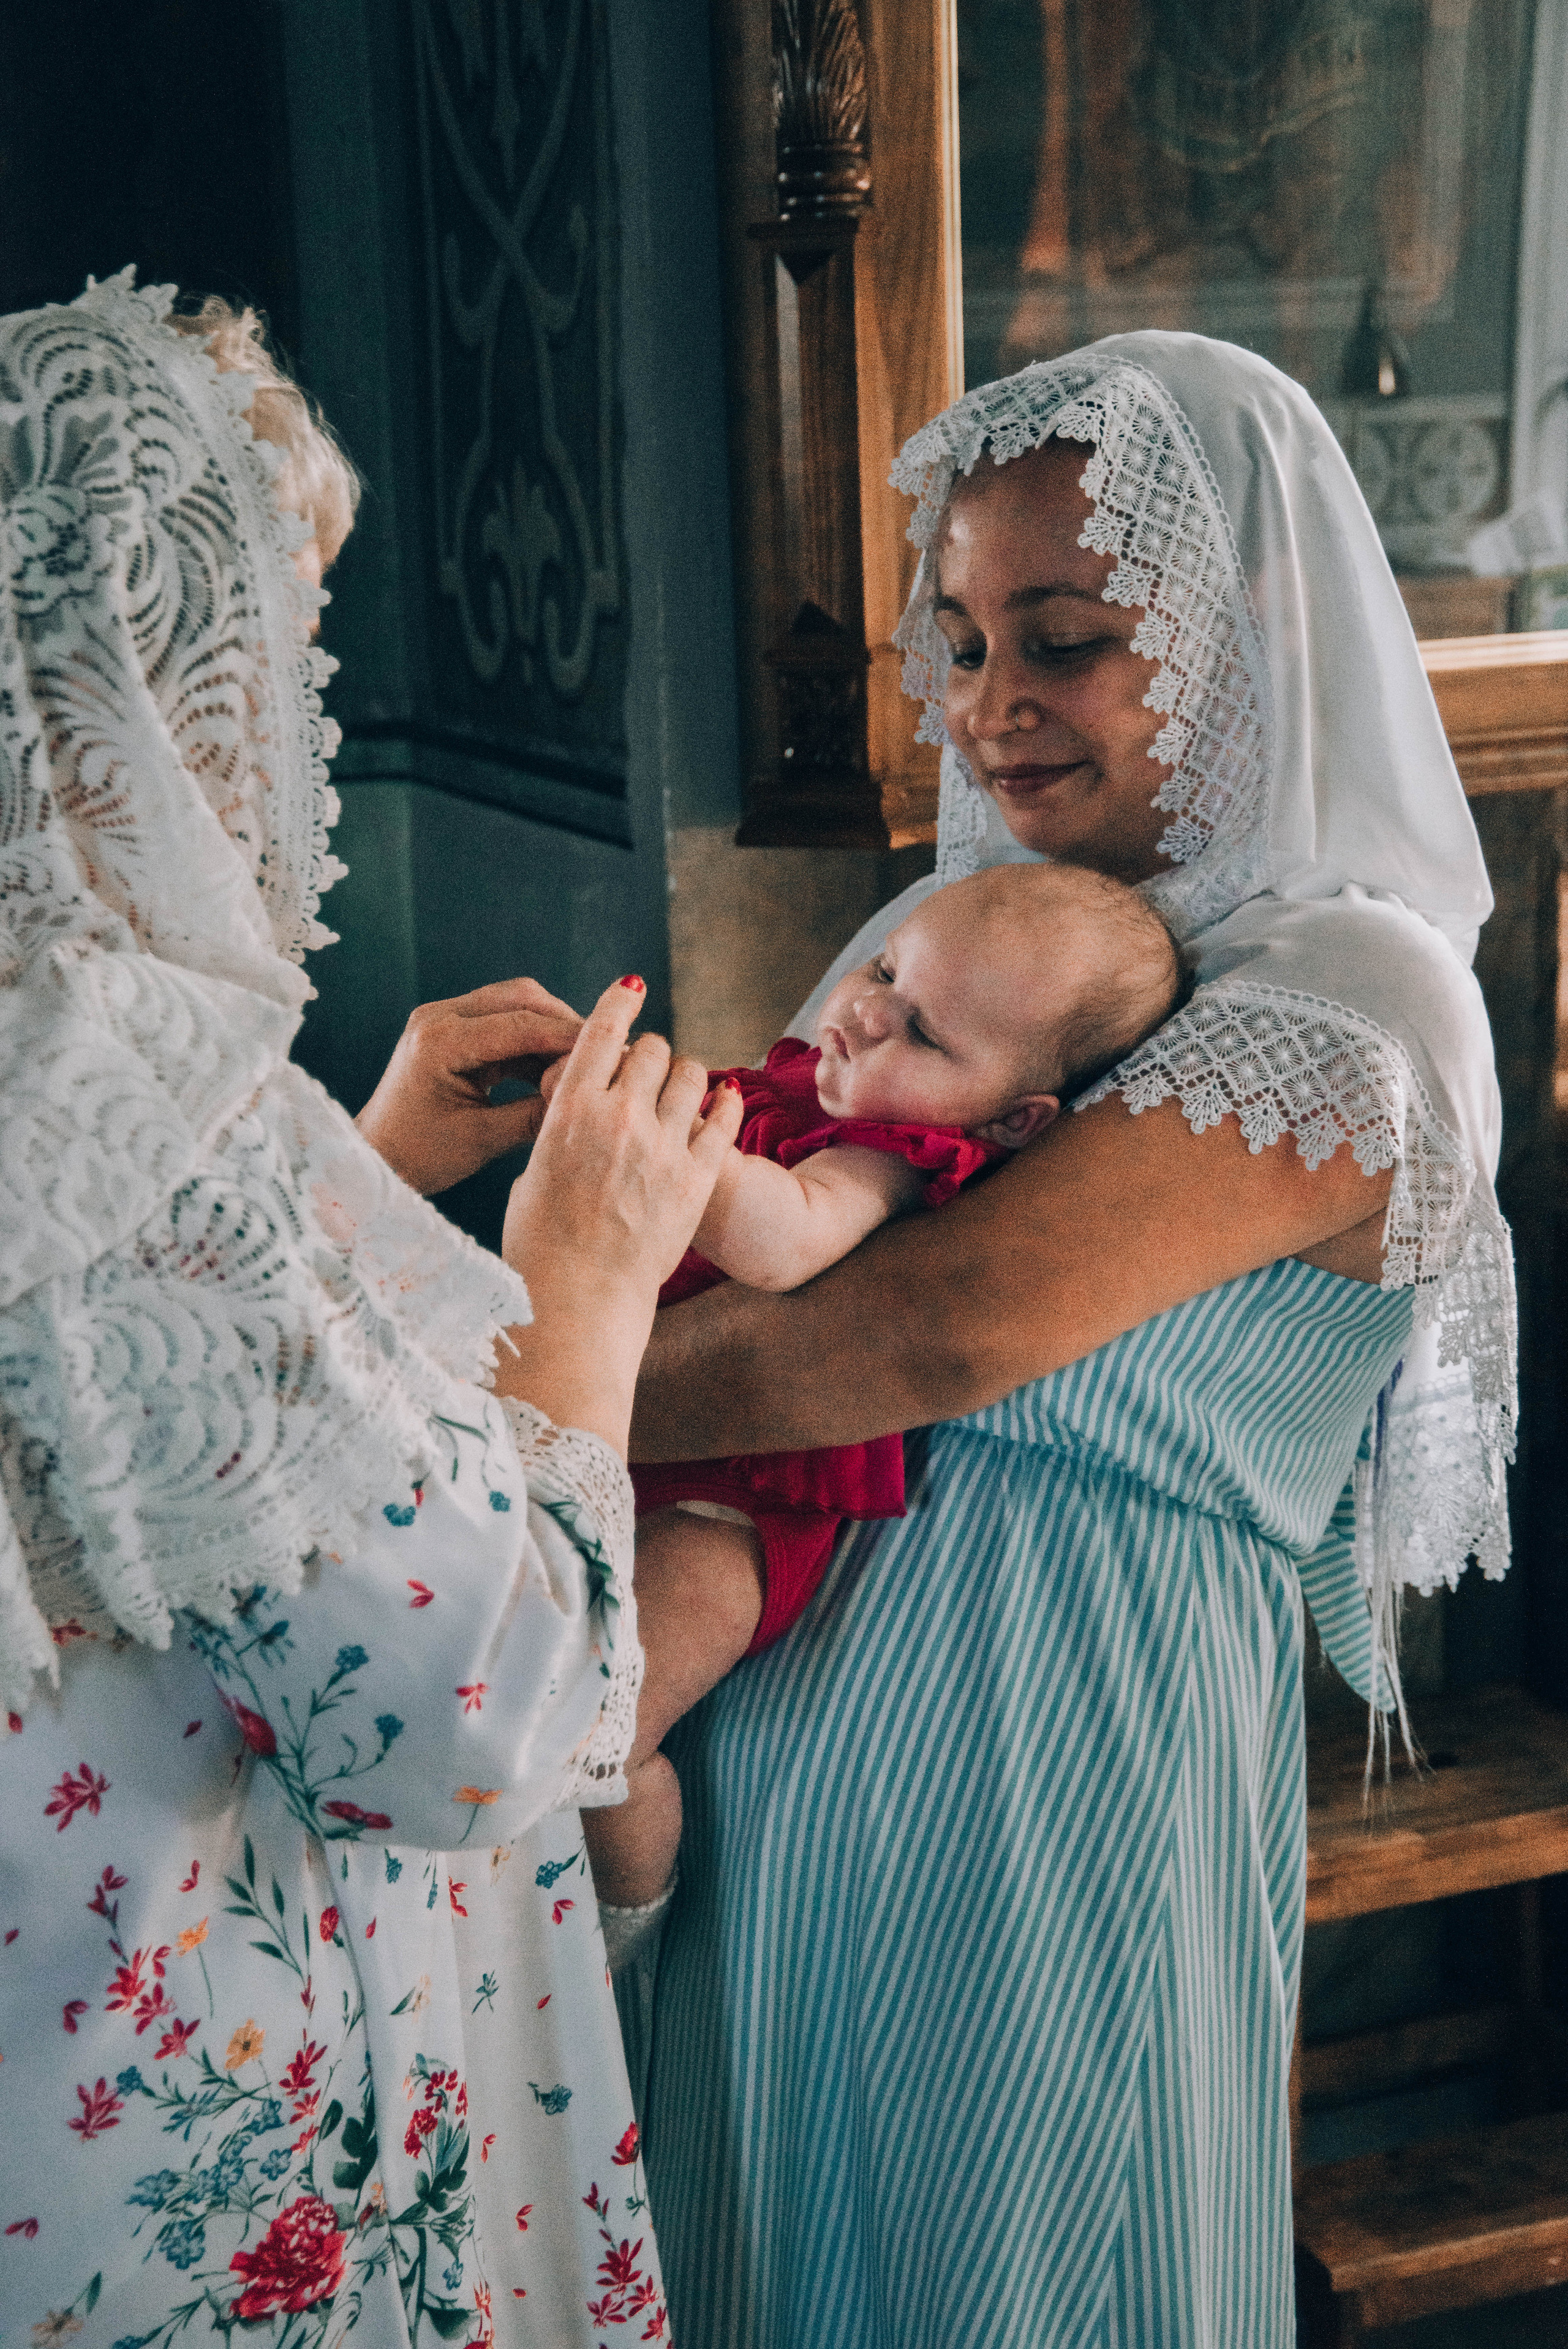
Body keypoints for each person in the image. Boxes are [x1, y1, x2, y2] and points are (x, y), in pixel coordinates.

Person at [626, 336, 1515, 2347]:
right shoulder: (967, 930)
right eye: (958, 641)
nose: (994, 701)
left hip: (1050, 1786)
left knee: (1045, 2263)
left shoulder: (1350, 1002)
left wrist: (462, 1399)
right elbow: (742, 1250)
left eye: (1068, 636)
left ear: (1240, 623)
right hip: (777, 1793)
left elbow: (901, 1341)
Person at [0, 271, 740, 2347]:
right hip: (214, 2157)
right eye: (274, 650)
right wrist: (581, 1277)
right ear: (136, 682)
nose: (275, 730)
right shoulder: (138, 1108)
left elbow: (97, 1408)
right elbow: (475, 1721)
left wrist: (344, 1167)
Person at [585, 862, 1183, 1917]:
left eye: (923, 1034)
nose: (862, 1014)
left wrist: (664, 1135)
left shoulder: (888, 1159)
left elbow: (782, 1241)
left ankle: (614, 1933)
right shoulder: (791, 1088)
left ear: (1013, 1124)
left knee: (601, 1728)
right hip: (632, 1439)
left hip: (731, 1502)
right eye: (883, 970)